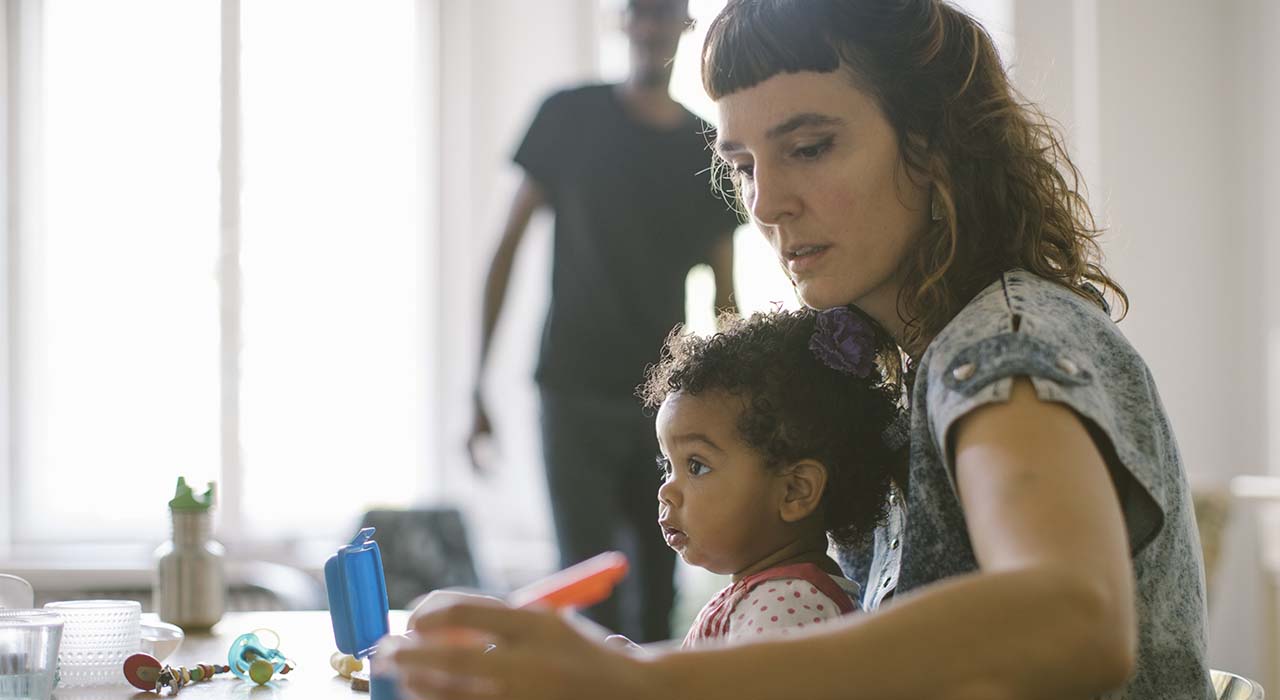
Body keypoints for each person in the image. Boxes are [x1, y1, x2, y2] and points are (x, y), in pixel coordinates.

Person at [397, 1, 1213, 698]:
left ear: (932, 145)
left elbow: (1075, 613)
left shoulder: (1001, 346)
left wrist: (646, 682)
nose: (768, 203)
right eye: (744, 165)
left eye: (811, 146)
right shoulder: (901, 364)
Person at [469, 0, 741, 643]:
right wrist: (477, 386)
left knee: (659, 591)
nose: (650, 27)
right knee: (586, 587)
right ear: (622, 23)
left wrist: (735, 413)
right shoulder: (569, 116)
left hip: (667, 408)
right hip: (571, 391)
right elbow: (505, 249)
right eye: (640, 13)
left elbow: (726, 300)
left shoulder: (706, 148)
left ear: (684, 27)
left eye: (664, 14)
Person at [637, 307, 904, 647]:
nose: (667, 491)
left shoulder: (787, 607)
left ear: (794, 490)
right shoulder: (773, 595)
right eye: (667, 465)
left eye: (696, 466)